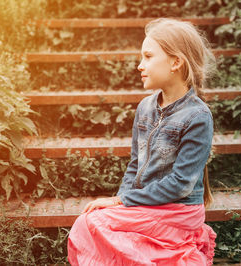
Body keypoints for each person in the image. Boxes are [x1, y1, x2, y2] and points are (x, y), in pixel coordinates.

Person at [68, 18, 217, 266]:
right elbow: (136, 163)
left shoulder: (197, 116)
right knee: (91, 220)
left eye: (148, 57)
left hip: (178, 210)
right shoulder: (145, 107)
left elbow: (181, 184)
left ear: (176, 62)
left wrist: (122, 202)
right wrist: (121, 199)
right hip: (147, 204)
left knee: (91, 222)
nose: (140, 65)